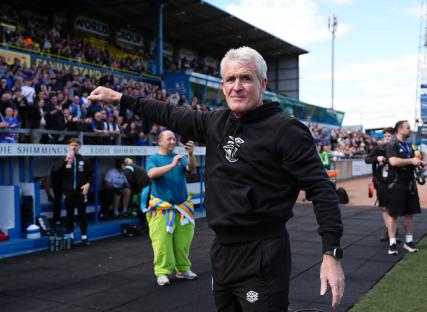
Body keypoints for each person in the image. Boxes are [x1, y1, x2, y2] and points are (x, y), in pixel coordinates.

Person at [89, 46, 344, 310]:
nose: (237, 86)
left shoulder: (286, 130)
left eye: (246, 78)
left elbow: (321, 189)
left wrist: (331, 253)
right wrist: (120, 98)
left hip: (263, 254)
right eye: (230, 79)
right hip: (221, 252)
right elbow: (168, 113)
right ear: (222, 86)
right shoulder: (215, 122)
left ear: (263, 84)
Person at [140, 131, 197, 286]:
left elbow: (192, 169)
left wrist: (191, 154)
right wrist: (172, 165)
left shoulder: (181, 157)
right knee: (162, 243)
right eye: (169, 139)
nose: (173, 141)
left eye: (174, 139)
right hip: (162, 209)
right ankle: (163, 272)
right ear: (159, 142)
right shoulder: (153, 159)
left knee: (183, 242)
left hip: (182, 208)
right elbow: (151, 174)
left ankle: (183, 269)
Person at [385, 120, 425, 255]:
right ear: (400, 129)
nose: (410, 130)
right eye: (408, 128)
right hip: (396, 184)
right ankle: (392, 243)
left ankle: (409, 241)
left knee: (409, 212)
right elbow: (393, 161)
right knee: (393, 213)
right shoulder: (392, 144)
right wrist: (411, 161)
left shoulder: (408, 146)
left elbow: (410, 161)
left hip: (409, 184)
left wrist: (418, 163)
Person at [52, 138, 92, 246]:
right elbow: (55, 171)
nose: (73, 147)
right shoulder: (63, 159)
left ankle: (84, 237)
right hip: (68, 191)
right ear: (69, 146)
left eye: (76, 145)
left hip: (81, 192)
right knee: (69, 214)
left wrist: (88, 184)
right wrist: (66, 160)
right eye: (71, 145)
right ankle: (70, 236)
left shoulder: (84, 159)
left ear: (79, 147)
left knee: (82, 214)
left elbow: (90, 175)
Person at [365, 127, 394, 241]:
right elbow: (367, 159)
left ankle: (394, 229)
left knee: (394, 207)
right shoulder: (378, 148)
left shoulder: (397, 148)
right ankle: (389, 230)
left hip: (395, 182)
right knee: (384, 207)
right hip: (381, 182)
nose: (387, 138)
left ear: (394, 137)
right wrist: (377, 158)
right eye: (385, 136)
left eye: (389, 136)